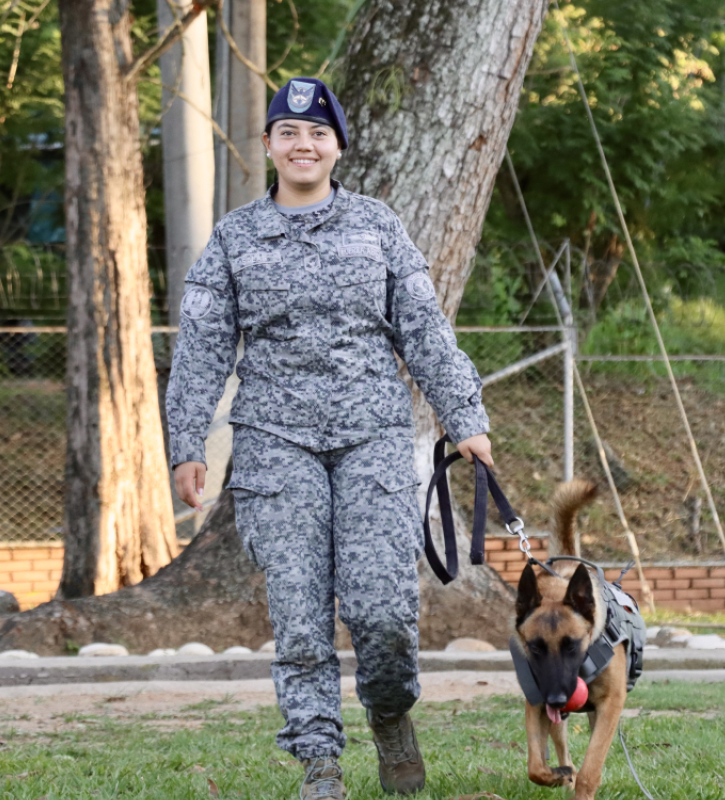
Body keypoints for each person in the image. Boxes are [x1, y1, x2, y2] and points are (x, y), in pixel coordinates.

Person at [166, 76, 493, 800]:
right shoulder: (236, 237)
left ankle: (389, 712)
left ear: (338, 146)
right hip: (275, 443)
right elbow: (201, 347)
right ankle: (320, 762)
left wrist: (463, 418)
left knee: (382, 609)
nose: (303, 144)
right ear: (270, 147)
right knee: (301, 613)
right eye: (289, 132)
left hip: (372, 438)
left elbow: (424, 328)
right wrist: (187, 442)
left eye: (317, 134)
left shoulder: (377, 225)